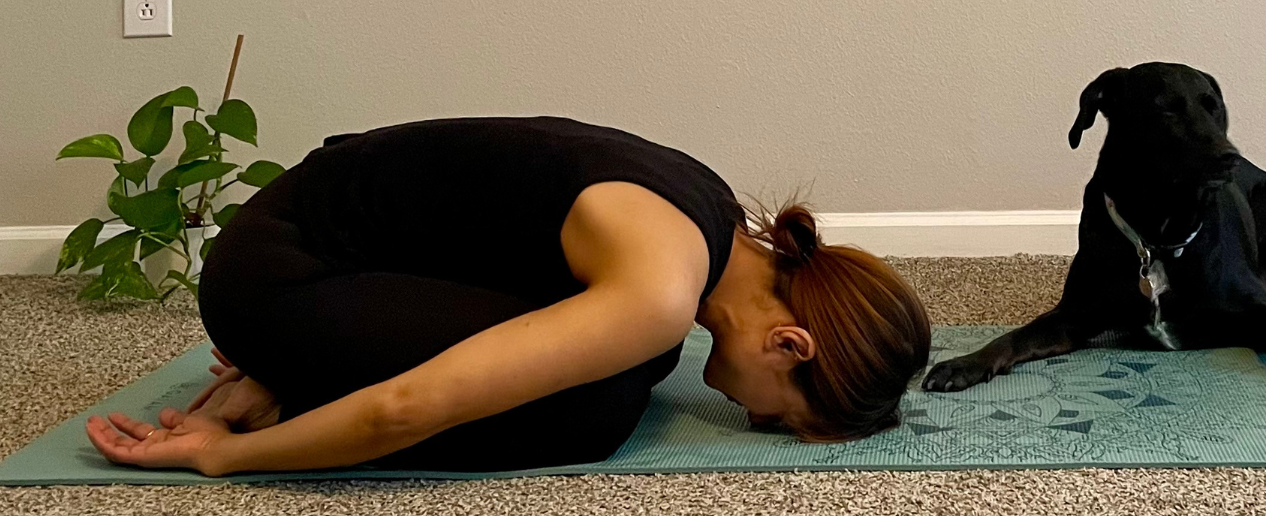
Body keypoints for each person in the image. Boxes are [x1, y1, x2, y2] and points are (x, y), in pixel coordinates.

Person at [83, 117, 932, 474]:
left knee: (632, 366)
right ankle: (282, 396)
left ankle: (292, 368)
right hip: (278, 276)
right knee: (596, 409)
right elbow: (410, 408)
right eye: (778, 415)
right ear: (791, 345)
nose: (753, 418)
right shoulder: (665, 288)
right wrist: (222, 459)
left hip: (324, 232)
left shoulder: (706, 217)